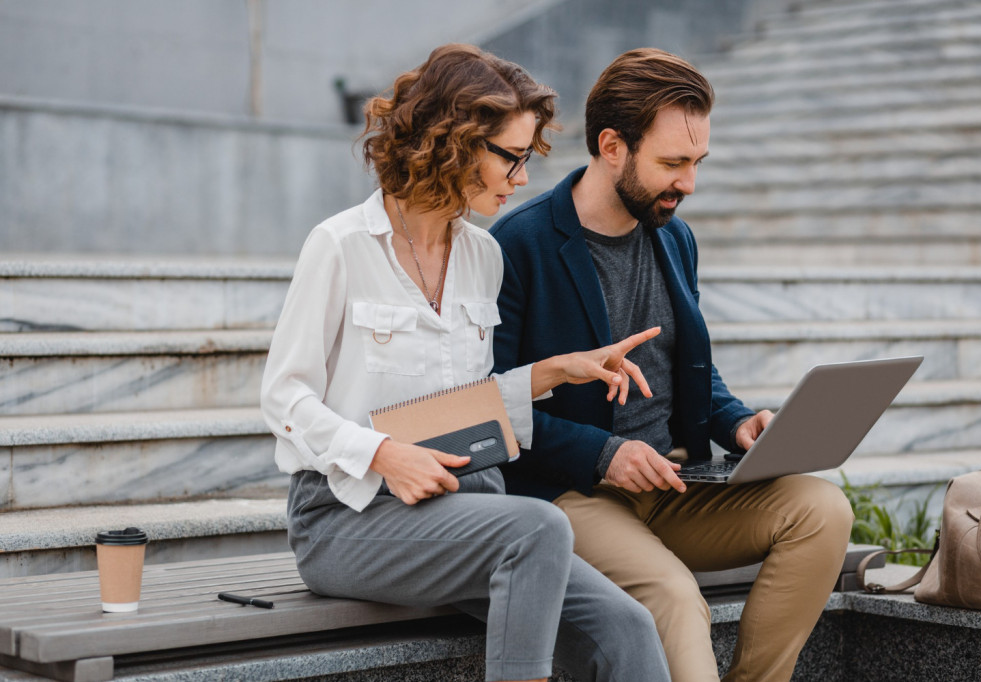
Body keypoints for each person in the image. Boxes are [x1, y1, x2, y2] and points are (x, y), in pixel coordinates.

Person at [260, 44, 671, 682]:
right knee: (538, 528)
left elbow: (461, 409)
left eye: (528, 158)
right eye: (510, 157)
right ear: (452, 144)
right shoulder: (340, 246)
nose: (522, 179)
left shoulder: (482, 255)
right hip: (347, 518)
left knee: (628, 627)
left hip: (465, 509)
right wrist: (382, 453)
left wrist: (553, 373)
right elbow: (284, 399)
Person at [491, 48, 855, 682]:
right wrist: (606, 454)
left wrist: (739, 424)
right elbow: (491, 406)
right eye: (673, 163)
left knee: (823, 511)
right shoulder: (519, 245)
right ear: (611, 146)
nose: (689, 183)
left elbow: (689, 371)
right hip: (574, 494)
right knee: (674, 595)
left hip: (677, 486)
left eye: (697, 163)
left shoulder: (674, 235)